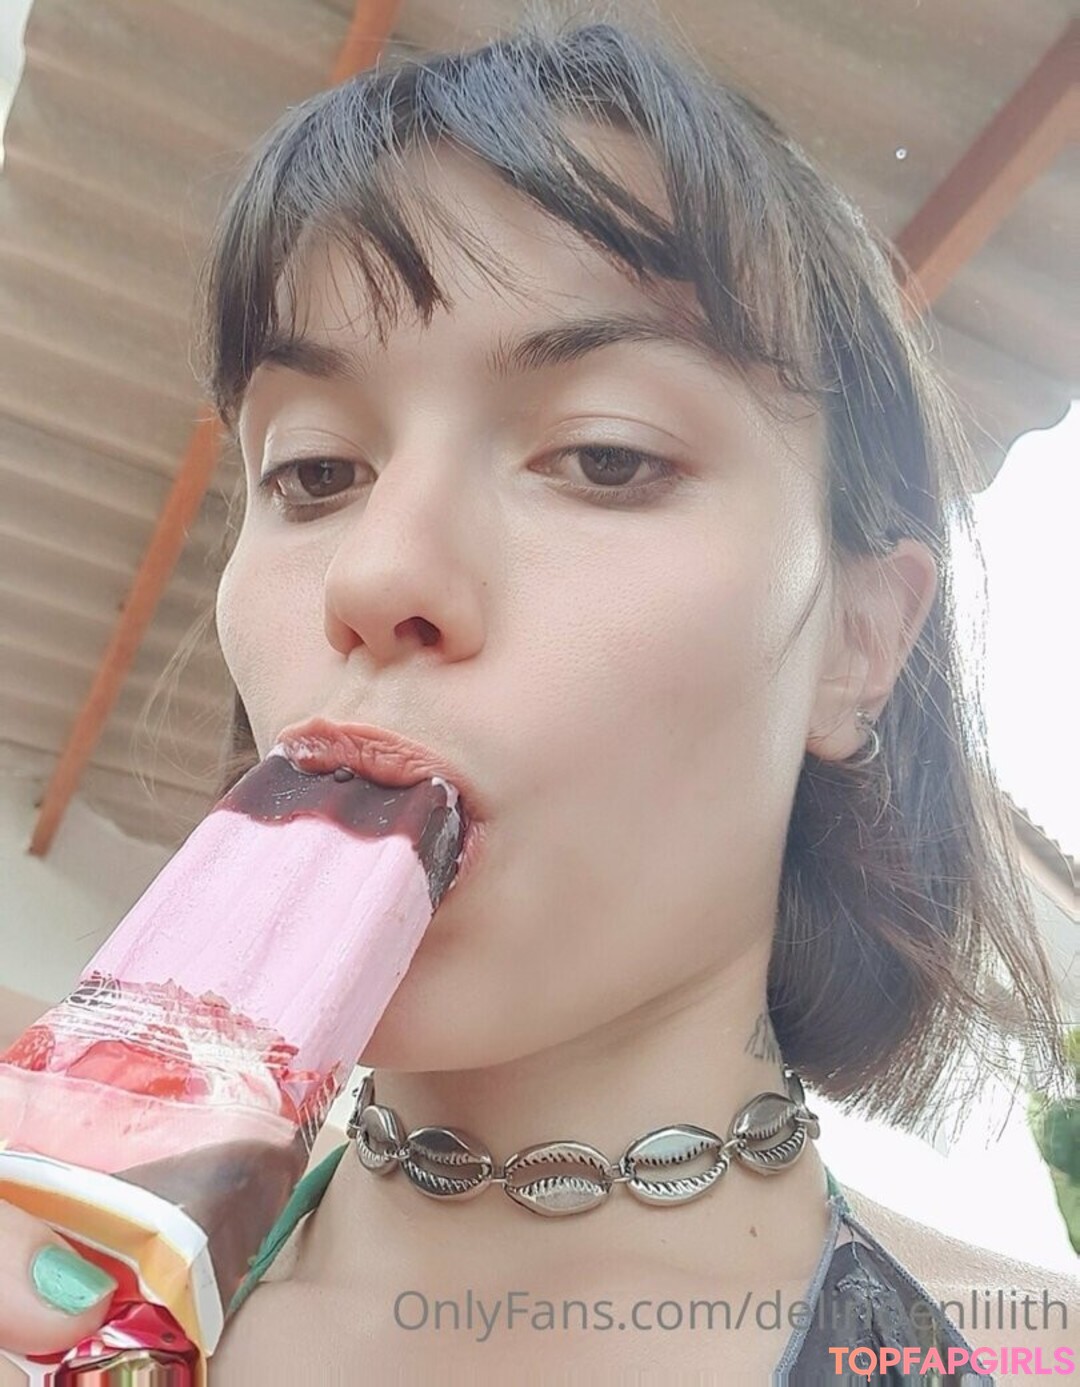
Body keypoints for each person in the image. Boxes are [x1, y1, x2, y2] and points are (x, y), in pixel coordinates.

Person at [0, 10, 1075, 1384]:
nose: (378, 571)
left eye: (606, 456)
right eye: (315, 472)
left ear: (858, 647)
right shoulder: (62, 1306)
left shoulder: (1024, 1359)